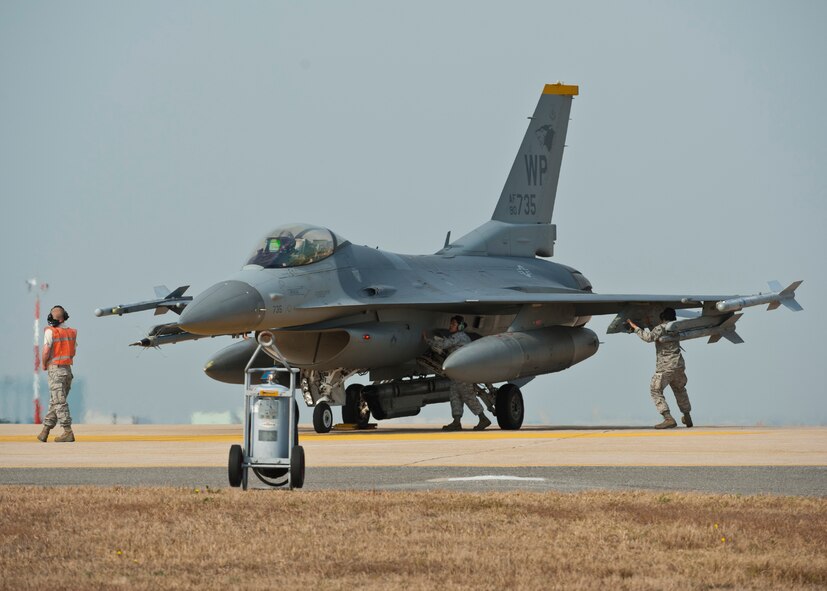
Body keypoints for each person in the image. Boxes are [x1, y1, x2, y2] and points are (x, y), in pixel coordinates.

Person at [627, 308, 692, 429]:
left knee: (655, 390)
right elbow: (657, 334)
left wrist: (635, 327)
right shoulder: (676, 327)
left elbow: (648, 338)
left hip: (666, 366)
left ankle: (668, 418)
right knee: (680, 389)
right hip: (679, 364)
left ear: (662, 317)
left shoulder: (660, 328)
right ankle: (687, 416)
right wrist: (647, 323)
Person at [424, 315, 491, 431]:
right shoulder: (457, 337)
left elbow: (444, 345)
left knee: (468, 395)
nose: (450, 326)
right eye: (451, 323)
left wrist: (427, 340)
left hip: (464, 371)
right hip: (457, 373)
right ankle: (456, 421)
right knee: (454, 395)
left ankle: (483, 418)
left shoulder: (459, 337)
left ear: (459, 326)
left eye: (453, 324)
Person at [37, 305, 77, 442]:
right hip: (67, 371)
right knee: (55, 401)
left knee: (59, 403)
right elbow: (74, 351)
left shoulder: (51, 332)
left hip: (55, 369)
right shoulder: (71, 332)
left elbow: (46, 351)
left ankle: (67, 431)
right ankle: (45, 431)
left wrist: (43, 363)